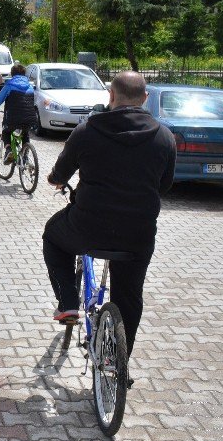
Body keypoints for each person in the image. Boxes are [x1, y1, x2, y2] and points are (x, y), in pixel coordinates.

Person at [43, 71, 176, 361]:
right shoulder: (164, 136)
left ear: (111, 96)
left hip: (87, 227)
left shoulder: (87, 130)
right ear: (145, 98)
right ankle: (118, 363)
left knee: (52, 236)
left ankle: (67, 302)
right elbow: (164, 185)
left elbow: (61, 173)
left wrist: (55, 179)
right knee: (129, 297)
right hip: (137, 234)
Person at [0, 64, 37, 165]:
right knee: (25, 133)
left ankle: (8, 150)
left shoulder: (9, 85)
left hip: (13, 119)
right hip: (30, 118)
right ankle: (26, 157)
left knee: (6, 132)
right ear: (24, 74)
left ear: (12, 74)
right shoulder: (30, 86)